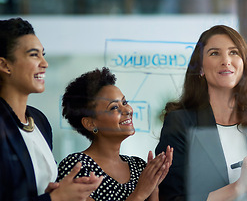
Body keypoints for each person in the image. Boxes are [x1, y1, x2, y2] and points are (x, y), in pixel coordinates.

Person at [155, 25, 247, 201]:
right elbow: (170, 198)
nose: (226, 60)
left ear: (244, 64)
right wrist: (237, 187)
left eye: (234, 52)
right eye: (215, 53)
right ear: (200, 68)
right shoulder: (180, 123)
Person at [0, 17, 103, 201]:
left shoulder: (39, 120)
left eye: (43, 54)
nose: (44, 63)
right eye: (34, 55)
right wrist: (56, 198)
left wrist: (66, 191)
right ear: (5, 65)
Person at [57, 67, 173, 201]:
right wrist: (140, 193)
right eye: (114, 107)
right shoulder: (76, 167)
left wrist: (154, 185)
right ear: (90, 123)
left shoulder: (138, 166)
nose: (127, 110)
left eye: (125, 103)